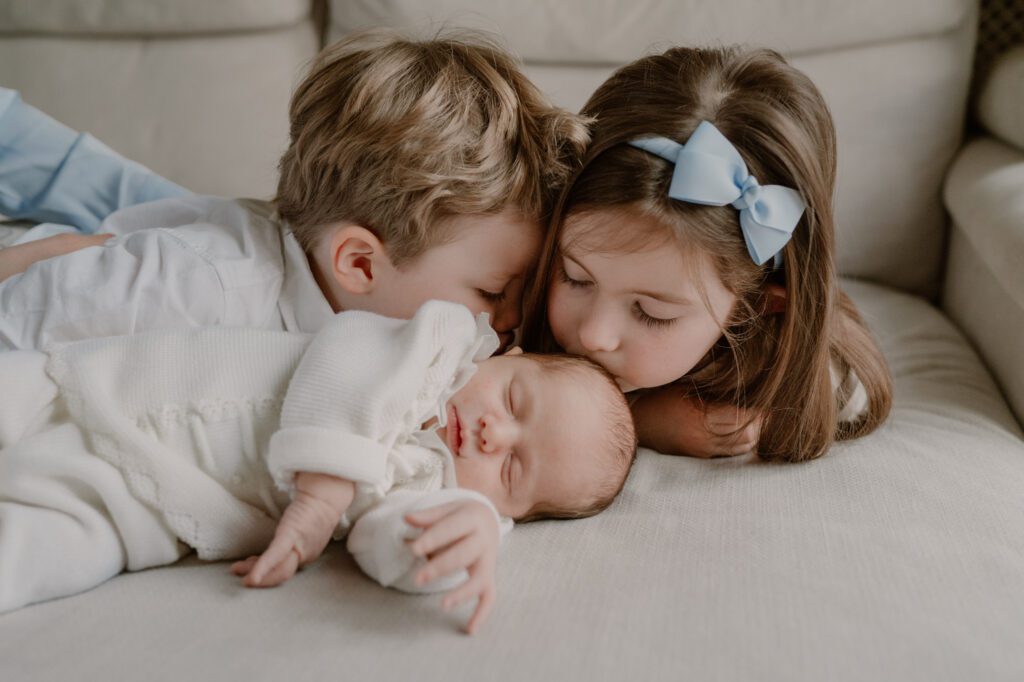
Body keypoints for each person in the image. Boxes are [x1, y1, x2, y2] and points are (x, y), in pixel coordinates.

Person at [0, 300, 637, 634]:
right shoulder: (437, 345)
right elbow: (349, 350)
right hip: (92, 383)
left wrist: (461, 531)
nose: (496, 434)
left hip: (134, 505)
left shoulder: (433, 493)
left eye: (513, 471)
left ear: (515, 515)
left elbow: (384, 544)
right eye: (514, 399)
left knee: (39, 557)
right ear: (508, 353)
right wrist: (322, 495)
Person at [0, 28, 589, 352]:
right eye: (492, 291)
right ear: (358, 262)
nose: (513, 319)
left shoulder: (393, 308)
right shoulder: (192, 291)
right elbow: (23, 320)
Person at [520, 46, 892, 462]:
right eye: (576, 277)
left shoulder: (805, 365)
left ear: (754, 307)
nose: (593, 334)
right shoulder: (511, 281)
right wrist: (641, 416)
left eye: (651, 312)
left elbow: (845, 396)